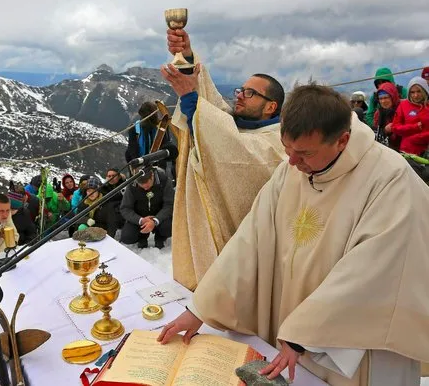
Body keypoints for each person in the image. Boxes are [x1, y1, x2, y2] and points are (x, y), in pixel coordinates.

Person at [158, 84, 429, 385]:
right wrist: (201, 308)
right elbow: (250, 240)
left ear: (343, 140)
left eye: (304, 154)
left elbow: (373, 273)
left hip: (355, 347)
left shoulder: (390, 179)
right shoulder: (293, 170)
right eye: (288, 150)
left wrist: (304, 334)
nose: (292, 163)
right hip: (294, 335)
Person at [161, 28, 286, 289]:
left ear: (271, 106)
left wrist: (189, 97)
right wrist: (186, 56)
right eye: (242, 89)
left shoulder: (278, 143)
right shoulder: (236, 122)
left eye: (250, 93)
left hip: (250, 257)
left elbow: (239, 149)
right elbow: (213, 104)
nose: (239, 94)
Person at [120, 168, 174, 249]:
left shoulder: (164, 181)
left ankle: (160, 237)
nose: (145, 189)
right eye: (142, 186)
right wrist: (141, 220)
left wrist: (155, 221)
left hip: (160, 216)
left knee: (169, 228)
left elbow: (169, 204)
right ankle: (142, 237)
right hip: (140, 216)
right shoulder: (131, 185)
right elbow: (125, 208)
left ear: (152, 176)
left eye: (147, 185)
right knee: (127, 237)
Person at [391, 77, 429, 156]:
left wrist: (417, 138)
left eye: (419, 91)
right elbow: (395, 127)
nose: (416, 95)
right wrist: (414, 127)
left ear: (425, 91)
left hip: (426, 151)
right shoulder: (403, 105)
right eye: (412, 92)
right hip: (408, 152)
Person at [373, 82, 401, 151]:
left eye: (386, 97)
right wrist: (385, 131)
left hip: (403, 149)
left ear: (393, 97)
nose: (383, 101)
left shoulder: (402, 109)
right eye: (380, 98)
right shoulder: (378, 113)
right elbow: (376, 133)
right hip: (387, 150)